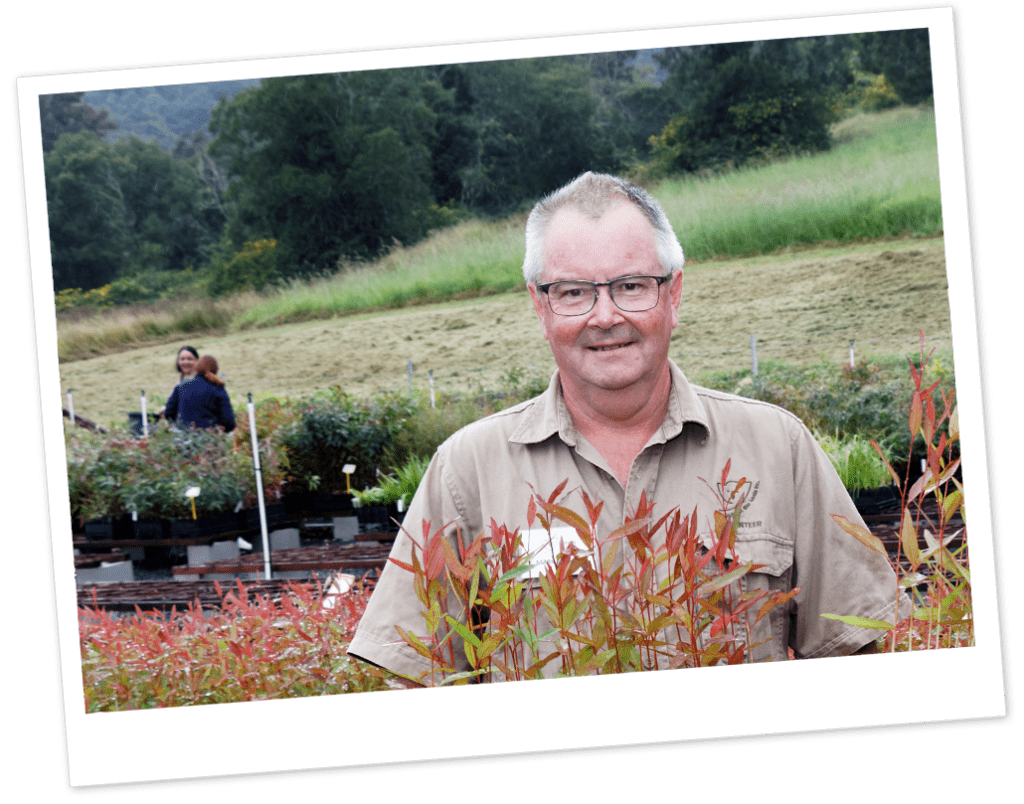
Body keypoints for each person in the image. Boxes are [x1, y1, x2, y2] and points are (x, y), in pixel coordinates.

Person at [347, 172, 902, 684]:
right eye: (572, 292)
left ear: (674, 294)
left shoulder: (779, 448)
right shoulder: (466, 471)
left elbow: (855, 663)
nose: (605, 315)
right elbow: (419, 684)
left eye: (632, 285)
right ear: (540, 308)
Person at [163, 354, 236, 433]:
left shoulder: (180, 387)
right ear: (215, 370)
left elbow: (168, 413)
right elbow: (229, 421)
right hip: (210, 439)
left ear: (197, 368)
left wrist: (182, 425)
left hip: (183, 439)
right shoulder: (218, 388)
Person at [156, 346, 199, 419]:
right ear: (178, 362)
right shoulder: (179, 380)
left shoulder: (200, 379)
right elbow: (171, 401)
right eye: (182, 359)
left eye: (189, 359)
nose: (186, 362)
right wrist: (164, 408)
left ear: (197, 360)